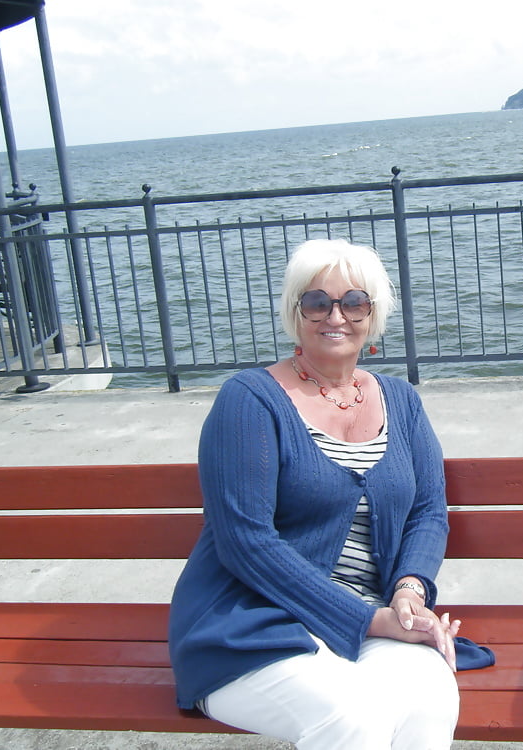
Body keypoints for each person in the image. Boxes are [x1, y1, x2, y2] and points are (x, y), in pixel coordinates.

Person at [169, 238, 470, 749]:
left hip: (376, 612)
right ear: (296, 312)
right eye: (317, 302)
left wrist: (408, 591)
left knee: (430, 701)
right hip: (255, 620)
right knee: (351, 719)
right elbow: (246, 542)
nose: (336, 316)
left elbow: (427, 512)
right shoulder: (250, 400)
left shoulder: (400, 401)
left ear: (372, 314)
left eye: (354, 302)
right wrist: (370, 619)